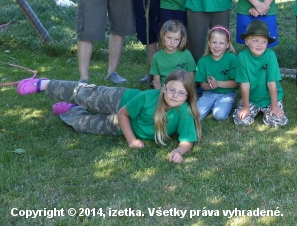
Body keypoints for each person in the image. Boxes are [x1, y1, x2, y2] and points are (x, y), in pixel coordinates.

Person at [16, 70, 201, 163]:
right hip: (121, 101)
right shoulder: (148, 97)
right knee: (85, 95)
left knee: (84, 124)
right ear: (163, 89)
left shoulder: (184, 112)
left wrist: (179, 152)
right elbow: (123, 113)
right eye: (172, 90)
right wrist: (131, 140)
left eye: (181, 93)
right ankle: (44, 84)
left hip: (125, 125)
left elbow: (187, 140)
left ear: (188, 96)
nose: (175, 95)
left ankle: (71, 110)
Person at [233, 20, 288, 127]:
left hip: (269, 98)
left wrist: (274, 106)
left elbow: (272, 83)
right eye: (255, 40)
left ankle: (272, 108)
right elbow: (244, 84)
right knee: (241, 120)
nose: (260, 44)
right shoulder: (242, 57)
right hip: (251, 98)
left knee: (278, 121)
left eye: (264, 41)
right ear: (246, 41)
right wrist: (245, 107)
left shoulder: (270, 55)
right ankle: (250, 108)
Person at [195, 26, 238, 121]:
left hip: (227, 94)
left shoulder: (232, 59)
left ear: (227, 45)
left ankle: (223, 104)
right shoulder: (203, 61)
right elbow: (202, 85)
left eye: (221, 43)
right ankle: (211, 104)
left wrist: (218, 83)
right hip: (209, 93)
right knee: (196, 115)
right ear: (209, 44)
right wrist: (210, 85)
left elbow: (236, 83)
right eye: (214, 42)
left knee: (219, 115)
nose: (217, 46)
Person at [150, 20, 196, 89]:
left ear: (181, 39)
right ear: (162, 36)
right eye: (169, 38)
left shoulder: (186, 54)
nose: (172, 42)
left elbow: (191, 78)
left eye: (176, 39)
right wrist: (161, 94)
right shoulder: (157, 57)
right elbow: (156, 81)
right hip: (164, 90)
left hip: (182, 89)